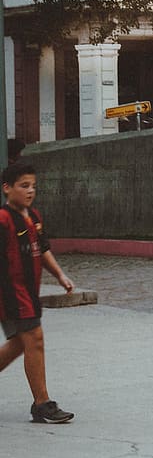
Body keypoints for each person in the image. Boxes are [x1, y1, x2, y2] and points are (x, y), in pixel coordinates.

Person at [0, 159, 75, 423]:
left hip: (28, 293)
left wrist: (60, 275)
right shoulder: (3, 219)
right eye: (24, 186)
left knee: (20, 344)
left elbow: (42, 250)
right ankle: (42, 404)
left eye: (33, 186)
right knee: (35, 340)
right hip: (10, 294)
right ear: (7, 188)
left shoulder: (34, 217)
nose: (30, 191)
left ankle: (41, 404)